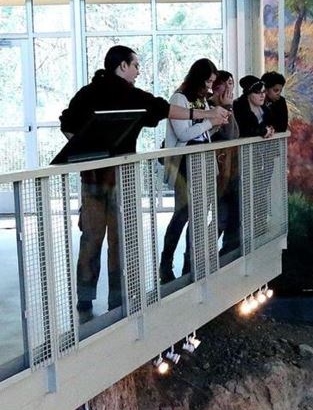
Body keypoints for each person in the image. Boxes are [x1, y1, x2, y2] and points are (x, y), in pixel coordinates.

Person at [59, 45, 228, 317]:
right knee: (119, 238)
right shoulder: (130, 94)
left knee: (91, 237)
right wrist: (208, 115)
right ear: (122, 66)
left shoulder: (87, 93)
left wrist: (84, 150)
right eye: (135, 65)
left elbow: (66, 123)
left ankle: (86, 297)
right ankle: (117, 296)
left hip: (91, 176)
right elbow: (167, 110)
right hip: (121, 177)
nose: (138, 71)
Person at [159, 58, 220, 283]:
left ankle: (190, 262)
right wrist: (210, 121)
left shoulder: (200, 101)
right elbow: (184, 135)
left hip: (203, 161)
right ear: (199, 78)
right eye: (208, 81)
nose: (210, 87)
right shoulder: (179, 98)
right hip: (184, 164)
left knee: (199, 215)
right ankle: (165, 263)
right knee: (182, 213)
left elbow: (201, 133)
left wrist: (214, 123)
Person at [209, 70, 241, 254]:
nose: (229, 87)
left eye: (232, 83)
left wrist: (230, 108)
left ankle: (227, 251)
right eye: (226, 83)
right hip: (217, 169)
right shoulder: (211, 107)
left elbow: (235, 133)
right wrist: (227, 108)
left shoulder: (229, 106)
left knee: (232, 213)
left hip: (231, 168)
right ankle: (201, 253)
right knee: (220, 216)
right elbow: (229, 136)